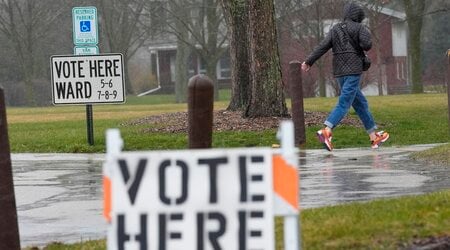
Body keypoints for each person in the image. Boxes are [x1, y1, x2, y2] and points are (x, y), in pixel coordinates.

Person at [301, 1, 389, 151]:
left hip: (339, 72)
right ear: (358, 15)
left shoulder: (335, 29)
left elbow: (322, 46)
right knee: (345, 103)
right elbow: (367, 45)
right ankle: (327, 130)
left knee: (360, 103)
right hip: (353, 70)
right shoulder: (360, 28)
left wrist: (309, 61)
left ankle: (374, 137)